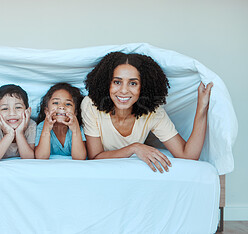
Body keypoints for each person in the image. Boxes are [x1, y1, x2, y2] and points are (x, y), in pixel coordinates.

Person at [81, 52, 213, 172]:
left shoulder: (153, 112)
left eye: (133, 83)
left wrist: (202, 107)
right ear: (107, 84)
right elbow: (95, 157)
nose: (124, 90)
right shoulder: (91, 105)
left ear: (143, 87)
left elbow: (188, 156)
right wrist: (135, 148)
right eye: (117, 82)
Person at [0, 84, 36, 162]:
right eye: (5, 108)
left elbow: (29, 158)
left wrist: (19, 133)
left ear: (28, 111)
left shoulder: (31, 125)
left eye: (18, 107)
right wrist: (9, 134)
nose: (12, 113)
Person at [35, 83, 86, 160]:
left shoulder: (79, 128)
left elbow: (79, 158)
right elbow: (41, 157)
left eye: (68, 104)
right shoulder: (41, 127)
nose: (62, 107)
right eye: (55, 103)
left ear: (75, 112)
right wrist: (46, 129)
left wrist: (75, 130)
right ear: (46, 111)